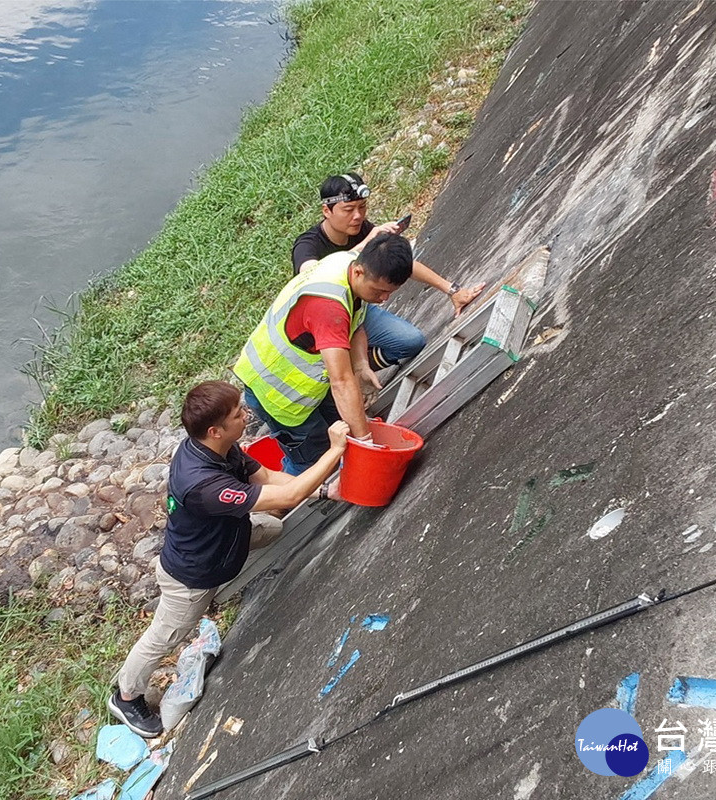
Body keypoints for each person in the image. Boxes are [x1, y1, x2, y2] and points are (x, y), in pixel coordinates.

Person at [108, 381, 349, 737]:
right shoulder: (203, 484)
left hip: (225, 542)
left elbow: (269, 478)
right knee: (164, 637)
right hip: (191, 576)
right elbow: (291, 492)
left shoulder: (220, 448)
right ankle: (126, 697)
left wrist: (326, 490)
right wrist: (334, 451)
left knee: (269, 526)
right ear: (215, 430)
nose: (246, 415)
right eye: (239, 413)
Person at [234, 232, 413, 475]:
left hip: (307, 386)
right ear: (360, 272)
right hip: (279, 394)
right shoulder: (328, 307)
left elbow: (357, 322)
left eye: (389, 293)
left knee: (341, 431)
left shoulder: (348, 264)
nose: (383, 299)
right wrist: (366, 444)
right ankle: (280, 506)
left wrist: (361, 365)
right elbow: (341, 381)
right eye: (379, 291)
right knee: (312, 461)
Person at [291, 172, 487, 369]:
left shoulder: (361, 228)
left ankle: (360, 364)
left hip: (357, 311)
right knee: (329, 376)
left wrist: (452, 290)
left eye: (362, 207)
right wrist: (367, 243)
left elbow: (398, 264)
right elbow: (311, 275)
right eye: (348, 209)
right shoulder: (307, 244)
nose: (358, 216)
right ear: (326, 211)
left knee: (412, 342)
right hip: (321, 322)